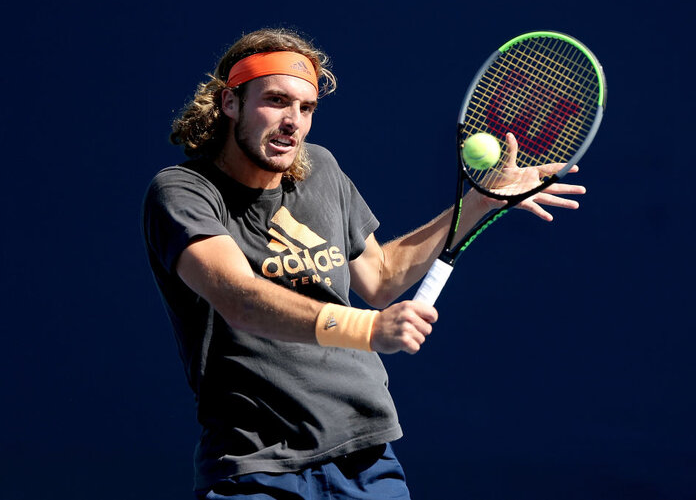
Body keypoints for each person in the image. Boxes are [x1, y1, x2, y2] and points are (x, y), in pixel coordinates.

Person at [142, 28, 585, 499]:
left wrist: (478, 202)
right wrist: (369, 330)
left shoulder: (321, 169)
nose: (293, 121)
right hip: (255, 465)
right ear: (230, 103)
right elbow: (238, 297)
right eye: (276, 100)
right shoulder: (182, 191)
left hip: (367, 456)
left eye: (306, 108)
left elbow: (381, 277)